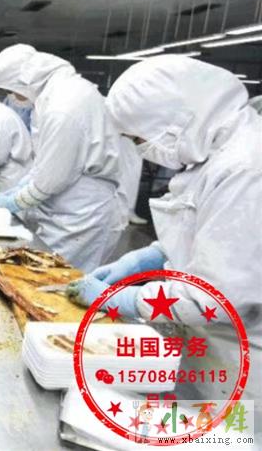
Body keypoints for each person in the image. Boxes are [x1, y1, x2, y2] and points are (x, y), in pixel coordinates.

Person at [67, 55, 261, 408]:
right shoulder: (212, 155)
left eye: (139, 137)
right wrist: (154, 255)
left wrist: (126, 299)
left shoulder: (245, 168)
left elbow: (217, 299)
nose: (141, 147)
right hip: (212, 344)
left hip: (241, 359)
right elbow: (205, 234)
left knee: (229, 431)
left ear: (172, 123)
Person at [0, 45, 126, 272]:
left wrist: (14, 202)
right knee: (46, 273)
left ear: (23, 83)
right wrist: (17, 189)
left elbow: (52, 179)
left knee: (56, 280)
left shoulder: (62, 106)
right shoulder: (55, 95)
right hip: (67, 203)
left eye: (10, 90)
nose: (11, 97)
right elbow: (46, 162)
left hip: (80, 213)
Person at [117, 135, 148, 224]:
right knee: (127, 176)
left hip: (133, 140)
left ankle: (127, 211)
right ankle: (124, 212)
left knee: (132, 176)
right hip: (126, 138)